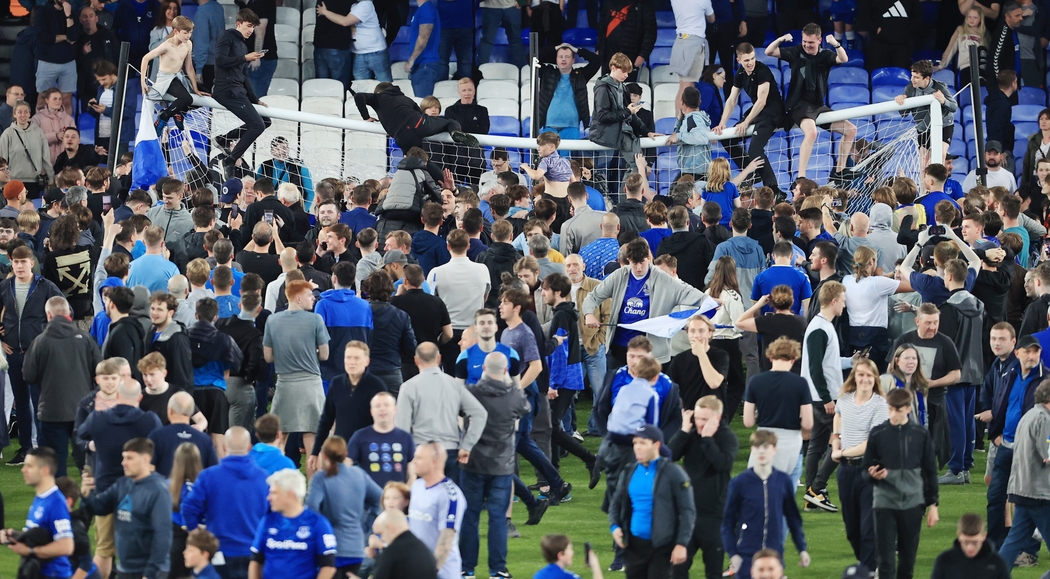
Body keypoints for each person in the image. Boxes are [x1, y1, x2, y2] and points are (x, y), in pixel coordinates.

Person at [583, 238, 706, 367]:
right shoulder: (619, 275)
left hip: (650, 350)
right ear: (628, 260)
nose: (639, 267)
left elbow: (686, 292)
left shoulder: (661, 278)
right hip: (620, 347)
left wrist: (707, 300)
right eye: (634, 263)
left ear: (649, 257)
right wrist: (588, 314)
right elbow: (593, 297)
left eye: (642, 262)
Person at [460, 351, 530, 579]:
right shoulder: (515, 396)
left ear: (483, 369)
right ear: (506, 371)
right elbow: (525, 408)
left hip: (473, 463)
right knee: (498, 518)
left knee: (470, 516)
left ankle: (466, 568)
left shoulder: (471, 393)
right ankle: (497, 569)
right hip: (502, 465)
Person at [864, 388, 940, 579]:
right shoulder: (877, 433)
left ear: (907, 408)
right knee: (886, 561)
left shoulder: (920, 434)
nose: (893, 415)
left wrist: (933, 505)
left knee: (907, 561)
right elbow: (865, 470)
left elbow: (930, 471)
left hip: (913, 503)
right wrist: (873, 474)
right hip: (884, 503)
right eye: (890, 409)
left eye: (898, 410)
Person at [608, 417, 696, 579]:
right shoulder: (629, 471)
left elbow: (687, 510)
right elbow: (616, 502)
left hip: (662, 547)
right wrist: (614, 527)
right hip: (634, 546)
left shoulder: (673, 473)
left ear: (656, 445)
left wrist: (681, 543)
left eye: (642, 443)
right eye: (635, 443)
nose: (637, 448)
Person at [24, 296, 102, 477]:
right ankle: (92, 501)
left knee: (56, 463)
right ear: (68, 313)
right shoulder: (85, 338)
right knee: (87, 464)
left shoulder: (40, 342)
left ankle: (61, 502)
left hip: (51, 411)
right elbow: (99, 370)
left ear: (48, 315)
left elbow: (28, 375)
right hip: (82, 410)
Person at [765, 24, 853, 180]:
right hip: (798, 105)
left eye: (810, 42)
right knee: (811, 133)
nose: (806, 45)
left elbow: (843, 58)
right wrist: (781, 39)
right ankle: (801, 176)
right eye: (804, 41)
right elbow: (769, 51)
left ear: (819, 40)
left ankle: (839, 171)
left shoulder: (825, 55)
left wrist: (836, 44)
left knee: (850, 130)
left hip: (818, 106)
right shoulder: (795, 52)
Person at [181, 426, 270, 579]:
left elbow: (189, 508)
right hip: (255, 554)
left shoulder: (209, 476)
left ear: (223, 446)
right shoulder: (265, 478)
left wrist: (196, 534)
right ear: (249, 447)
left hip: (220, 552)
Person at [80, 438, 173, 579]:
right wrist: (87, 495)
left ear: (146, 459)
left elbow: (162, 535)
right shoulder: (122, 484)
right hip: (125, 567)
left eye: (129, 458)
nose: (123, 463)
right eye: (123, 458)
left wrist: (151, 573)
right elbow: (100, 508)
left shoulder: (158, 491)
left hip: (148, 569)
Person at [722, 430, 811, 579]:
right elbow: (727, 521)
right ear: (752, 449)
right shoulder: (739, 482)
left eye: (766, 447)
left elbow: (792, 517)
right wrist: (733, 554)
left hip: (774, 552)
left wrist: (801, 548)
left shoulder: (783, 481)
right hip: (746, 552)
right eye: (757, 447)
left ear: (774, 449)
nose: (761, 451)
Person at [397, 342, 489, 483]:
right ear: (439, 358)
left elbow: (402, 426)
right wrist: (467, 445)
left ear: (416, 360)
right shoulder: (454, 384)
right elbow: (480, 413)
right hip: (450, 451)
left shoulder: (408, 387)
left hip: (421, 451)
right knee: (450, 500)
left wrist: (406, 457)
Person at [667, 396, 738, 579]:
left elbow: (722, 464)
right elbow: (669, 456)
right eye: (697, 418)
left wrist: (707, 439)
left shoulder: (727, 437)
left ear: (718, 418)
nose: (699, 423)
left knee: (713, 572)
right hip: (687, 515)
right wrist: (683, 430)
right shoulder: (689, 435)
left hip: (714, 516)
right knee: (677, 569)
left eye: (705, 419)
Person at [800, 281, 854, 513]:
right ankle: (816, 489)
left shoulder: (821, 326)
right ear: (834, 301)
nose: (844, 304)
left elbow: (826, 362)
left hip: (821, 396)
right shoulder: (820, 328)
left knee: (817, 445)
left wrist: (852, 361)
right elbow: (815, 368)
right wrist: (826, 398)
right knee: (842, 442)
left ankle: (814, 493)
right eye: (843, 300)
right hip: (824, 398)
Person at [830, 359, 889, 571]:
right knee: (852, 529)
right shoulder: (844, 399)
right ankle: (868, 563)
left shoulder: (880, 404)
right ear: (854, 377)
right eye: (861, 375)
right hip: (846, 471)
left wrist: (840, 452)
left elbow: (870, 444)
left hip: (868, 470)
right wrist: (836, 438)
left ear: (875, 378)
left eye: (869, 375)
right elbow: (838, 416)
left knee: (867, 527)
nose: (865, 379)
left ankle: (869, 569)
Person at [263, 280, 329, 464]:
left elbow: (268, 356)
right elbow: (324, 354)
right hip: (311, 385)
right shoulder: (315, 319)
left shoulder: (272, 320)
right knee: (313, 442)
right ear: (298, 298)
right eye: (310, 295)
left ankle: (277, 483)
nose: (313, 299)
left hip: (285, 384)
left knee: (279, 438)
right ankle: (314, 489)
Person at [715, 43, 785, 199]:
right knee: (727, 138)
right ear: (739, 60)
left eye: (752, 58)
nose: (750, 62)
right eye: (746, 60)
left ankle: (775, 190)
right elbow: (732, 100)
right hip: (758, 113)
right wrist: (722, 123)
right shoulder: (740, 73)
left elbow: (762, 101)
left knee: (755, 150)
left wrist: (746, 122)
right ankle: (752, 172)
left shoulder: (763, 71)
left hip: (772, 112)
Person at [306, 436, 383, 579]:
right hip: (356, 547)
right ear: (345, 454)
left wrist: (321, 530)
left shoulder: (321, 477)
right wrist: (366, 524)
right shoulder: (359, 474)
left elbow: (311, 508)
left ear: (324, 455)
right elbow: (380, 498)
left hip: (330, 549)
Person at [211, 10, 272, 179]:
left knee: (265, 121)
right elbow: (220, 60)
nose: (251, 30)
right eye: (249, 25)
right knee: (257, 125)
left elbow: (244, 76)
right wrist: (244, 58)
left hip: (238, 91)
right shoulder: (226, 36)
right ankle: (230, 160)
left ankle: (224, 139)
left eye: (253, 27)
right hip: (227, 90)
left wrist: (255, 99)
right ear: (239, 23)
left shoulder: (243, 46)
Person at [308, 341, 388, 469]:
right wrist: (315, 451)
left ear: (367, 361)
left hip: (368, 452)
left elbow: (385, 422)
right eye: (348, 358)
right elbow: (326, 419)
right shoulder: (336, 383)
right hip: (341, 451)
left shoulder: (376, 386)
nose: (352, 362)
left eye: (356, 358)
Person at [248, 468, 337, 579]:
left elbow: (328, 565)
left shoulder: (317, 523)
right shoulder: (267, 521)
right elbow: (256, 560)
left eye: (274, 493)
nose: (269, 498)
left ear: (290, 494)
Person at [1, 447, 75, 578]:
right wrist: (15, 536)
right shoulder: (40, 498)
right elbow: (42, 535)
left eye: (29, 466)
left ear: (44, 471)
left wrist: (29, 551)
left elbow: (66, 546)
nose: (23, 470)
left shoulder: (56, 503)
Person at [408, 442, 466, 579]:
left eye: (419, 458)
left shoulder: (449, 495)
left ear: (435, 461)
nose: (414, 461)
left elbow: (446, 542)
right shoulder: (417, 486)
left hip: (440, 573)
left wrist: (429, 572)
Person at [588, 54, 648, 183]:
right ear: (613, 68)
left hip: (620, 133)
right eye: (624, 71)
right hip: (607, 135)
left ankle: (626, 197)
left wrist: (646, 131)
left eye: (628, 72)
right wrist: (626, 112)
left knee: (632, 168)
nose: (627, 75)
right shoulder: (603, 88)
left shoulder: (622, 87)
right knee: (604, 173)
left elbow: (630, 114)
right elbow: (603, 116)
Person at [141, 16, 203, 137]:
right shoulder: (166, 45)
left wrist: (195, 88)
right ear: (176, 31)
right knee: (187, 99)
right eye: (185, 33)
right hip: (166, 79)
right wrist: (142, 81)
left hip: (179, 76)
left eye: (190, 32)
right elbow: (146, 58)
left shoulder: (188, 44)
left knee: (200, 100)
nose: (188, 36)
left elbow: (189, 67)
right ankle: (164, 116)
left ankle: (178, 111)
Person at [894, 60, 957, 168]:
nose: (912, 80)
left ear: (927, 78)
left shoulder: (939, 87)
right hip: (923, 128)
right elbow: (904, 114)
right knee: (924, 161)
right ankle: (924, 185)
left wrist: (943, 101)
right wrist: (901, 103)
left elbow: (954, 106)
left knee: (941, 154)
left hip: (944, 125)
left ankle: (940, 184)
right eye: (912, 76)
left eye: (916, 77)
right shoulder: (910, 89)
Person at [315, 0, 390, 87]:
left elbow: (345, 21)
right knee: (361, 88)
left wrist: (324, 12)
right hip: (358, 53)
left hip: (375, 53)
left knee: (385, 86)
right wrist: (352, 26)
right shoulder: (354, 5)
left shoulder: (366, 4)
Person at [535, 44, 602, 140]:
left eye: (567, 57)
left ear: (573, 60)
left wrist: (577, 50)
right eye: (560, 56)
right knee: (549, 155)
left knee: (568, 156)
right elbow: (530, 57)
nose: (563, 59)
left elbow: (597, 61)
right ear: (556, 59)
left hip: (572, 126)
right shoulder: (547, 73)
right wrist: (555, 48)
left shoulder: (580, 76)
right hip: (549, 126)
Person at [148, 391, 218, 477]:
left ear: (170, 411)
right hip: (196, 489)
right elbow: (213, 471)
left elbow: (148, 468)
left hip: (165, 489)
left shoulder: (157, 436)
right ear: (191, 412)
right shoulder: (205, 440)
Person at [667, 315, 729, 412]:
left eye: (701, 331)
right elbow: (671, 391)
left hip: (714, 416)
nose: (696, 335)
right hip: (689, 415)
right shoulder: (679, 360)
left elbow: (714, 383)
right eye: (692, 331)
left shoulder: (720, 355)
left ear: (709, 333)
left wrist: (701, 353)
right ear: (687, 333)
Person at [930, 513, 1010, 579]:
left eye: (975, 543)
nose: (970, 548)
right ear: (959, 535)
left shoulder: (996, 563)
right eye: (966, 542)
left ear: (983, 536)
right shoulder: (945, 560)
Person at [0, 102, 54, 197]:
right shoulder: (7, 134)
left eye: (25, 112)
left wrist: (51, 178)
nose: (23, 115)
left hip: (34, 181)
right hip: (13, 181)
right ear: (14, 114)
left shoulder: (38, 132)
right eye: (19, 112)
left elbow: (45, 158)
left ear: (29, 114)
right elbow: (3, 160)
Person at [370, 509, 438, 579]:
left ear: (390, 528)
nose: (381, 539)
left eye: (381, 534)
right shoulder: (423, 549)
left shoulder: (393, 552)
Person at [534, 534, 605, 579]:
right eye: (570, 549)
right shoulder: (568, 577)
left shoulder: (539, 575)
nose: (572, 553)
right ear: (560, 555)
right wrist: (595, 566)